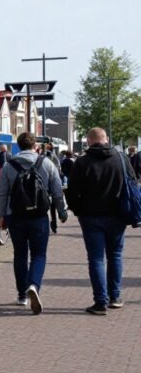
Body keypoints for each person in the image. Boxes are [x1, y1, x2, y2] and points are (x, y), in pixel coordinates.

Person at [0, 132, 67, 315]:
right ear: (35, 145)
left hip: (16, 216)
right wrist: (61, 211)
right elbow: (57, 190)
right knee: (39, 254)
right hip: (39, 216)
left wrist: (0, 216)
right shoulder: (47, 163)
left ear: (18, 146)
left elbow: (2, 193)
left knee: (20, 254)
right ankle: (34, 285)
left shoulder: (8, 166)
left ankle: (22, 295)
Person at [66, 128, 133, 315]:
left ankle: (100, 302)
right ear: (107, 139)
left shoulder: (82, 162)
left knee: (96, 259)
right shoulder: (121, 159)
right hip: (118, 215)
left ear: (88, 141)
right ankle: (115, 297)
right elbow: (132, 184)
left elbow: (72, 191)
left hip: (91, 217)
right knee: (115, 256)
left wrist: (78, 211)